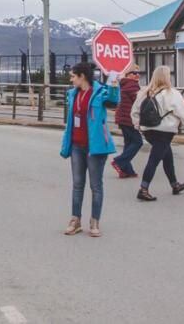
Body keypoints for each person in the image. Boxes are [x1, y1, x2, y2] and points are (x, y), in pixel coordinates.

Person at [59, 62, 120, 237]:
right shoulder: (72, 94)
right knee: (77, 184)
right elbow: (71, 122)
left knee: (96, 185)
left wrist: (114, 83)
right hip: (77, 146)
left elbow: (114, 101)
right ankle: (75, 220)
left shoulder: (100, 92)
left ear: (82, 76)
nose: (71, 79)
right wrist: (66, 143)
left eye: (73, 76)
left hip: (95, 147)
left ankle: (94, 221)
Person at [131, 66, 184, 202]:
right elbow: (182, 111)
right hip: (165, 131)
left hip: (148, 130)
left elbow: (135, 111)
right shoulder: (171, 93)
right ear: (167, 77)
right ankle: (143, 189)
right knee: (154, 160)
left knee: (167, 156)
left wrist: (138, 125)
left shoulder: (145, 92)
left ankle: (175, 184)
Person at [111, 67, 144, 179]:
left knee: (129, 144)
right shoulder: (132, 85)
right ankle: (119, 161)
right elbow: (138, 102)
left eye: (139, 73)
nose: (137, 75)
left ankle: (127, 170)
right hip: (129, 119)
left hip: (123, 118)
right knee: (138, 142)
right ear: (128, 75)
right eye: (134, 73)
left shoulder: (124, 83)